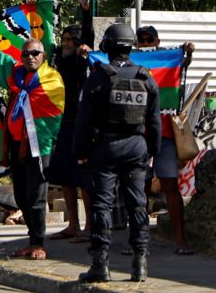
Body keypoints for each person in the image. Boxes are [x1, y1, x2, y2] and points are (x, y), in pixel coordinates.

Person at [0, 12, 62, 261]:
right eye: (26, 54)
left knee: (37, 195)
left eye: (35, 54)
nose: (30, 57)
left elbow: (57, 113)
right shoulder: (16, 75)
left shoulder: (52, 79)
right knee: (20, 195)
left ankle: (38, 243)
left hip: (40, 146)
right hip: (16, 145)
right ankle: (31, 238)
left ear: (44, 56)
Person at [74, 23, 161, 283]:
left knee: (102, 205)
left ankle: (100, 265)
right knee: (138, 205)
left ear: (108, 46)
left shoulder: (99, 76)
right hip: (136, 148)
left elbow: (83, 119)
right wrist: (152, 152)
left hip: (105, 148)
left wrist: (80, 151)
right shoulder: (146, 77)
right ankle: (140, 265)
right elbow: (155, 121)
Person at [135, 25, 196, 256]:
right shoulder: (130, 65)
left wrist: (187, 53)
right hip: (138, 136)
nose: (146, 43)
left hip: (166, 136)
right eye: (141, 40)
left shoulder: (166, 63)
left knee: (171, 186)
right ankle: (136, 240)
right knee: (137, 189)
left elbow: (183, 66)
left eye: (149, 39)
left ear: (157, 41)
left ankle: (180, 238)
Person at [47, 0, 95, 243]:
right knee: (64, 177)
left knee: (82, 178)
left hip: (80, 124)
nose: (65, 44)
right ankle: (73, 225)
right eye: (63, 40)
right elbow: (43, 39)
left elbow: (88, 35)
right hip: (61, 124)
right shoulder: (59, 61)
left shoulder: (80, 61)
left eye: (69, 41)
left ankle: (89, 226)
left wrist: (85, 10)